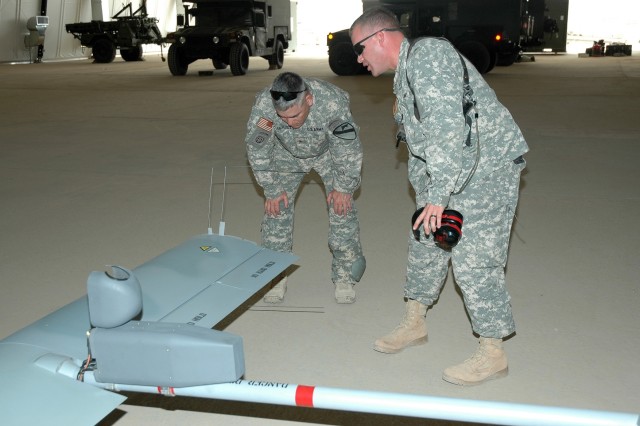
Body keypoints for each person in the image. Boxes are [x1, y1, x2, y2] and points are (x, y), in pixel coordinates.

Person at [350, 8, 529, 385]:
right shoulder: (404, 75)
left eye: (360, 50)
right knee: (426, 240)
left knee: (475, 259)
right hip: (453, 170)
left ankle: (493, 352)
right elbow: (419, 146)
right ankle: (414, 322)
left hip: (487, 169)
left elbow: (449, 128)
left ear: (379, 37)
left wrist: (439, 195)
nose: (359, 59)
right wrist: (428, 198)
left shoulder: (427, 58)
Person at [245, 72, 366, 304]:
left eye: (295, 115)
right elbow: (258, 148)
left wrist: (343, 187)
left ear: (309, 100)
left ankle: (344, 275)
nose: (290, 122)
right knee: (276, 210)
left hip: (327, 153)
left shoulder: (332, 102)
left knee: (342, 208)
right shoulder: (265, 105)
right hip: (286, 154)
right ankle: (275, 274)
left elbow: (347, 149)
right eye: (283, 117)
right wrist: (271, 187)